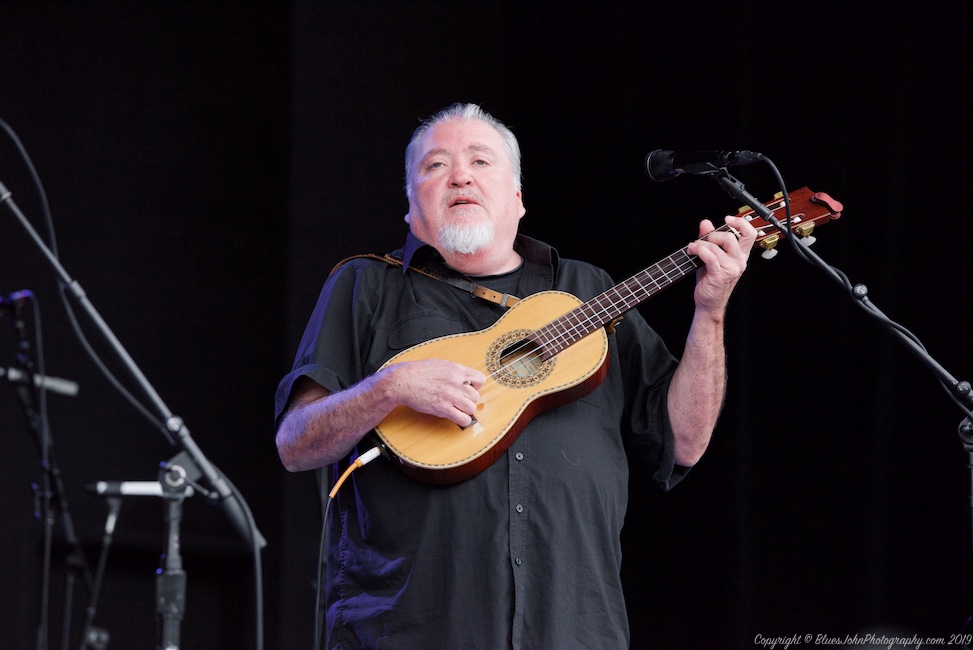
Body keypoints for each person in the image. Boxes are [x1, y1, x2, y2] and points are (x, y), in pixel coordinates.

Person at [274, 102, 757, 649]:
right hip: (411, 628)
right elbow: (296, 442)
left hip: (574, 627)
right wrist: (389, 387)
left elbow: (686, 440)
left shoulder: (588, 291)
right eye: (435, 166)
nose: (460, 175)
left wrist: (711, 310)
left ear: (519, 198)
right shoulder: (365, 286)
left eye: (481, 161)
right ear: (411, 208)